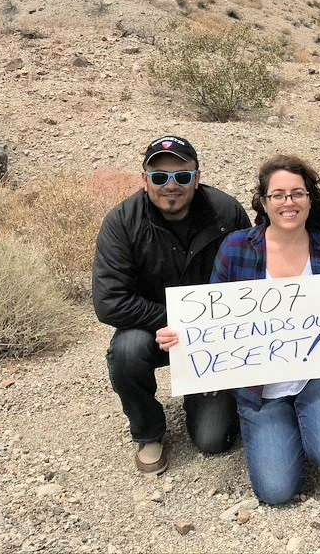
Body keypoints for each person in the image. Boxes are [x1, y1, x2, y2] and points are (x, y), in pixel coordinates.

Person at [159, 155, 320, 505]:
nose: (288, 202)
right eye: (278, 195)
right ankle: (280, 425)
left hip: (318, 373)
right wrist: (180, 336)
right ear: (263, 202)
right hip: (259, 386)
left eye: (297, 194)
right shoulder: (237, 248)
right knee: (275, 492)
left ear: (309, 199)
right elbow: (213, 317)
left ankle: (311, 420)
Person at [93, 135, 249, 474]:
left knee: (213, 440)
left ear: (197, 178)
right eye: (160, 177)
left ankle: (219, 397)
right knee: (127, 351)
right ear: (145, 180)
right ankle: (148, 432)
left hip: (213, 340)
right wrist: (171, 320)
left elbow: (252, 278)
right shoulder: (122, 223)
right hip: (156, 330)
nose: (171, 185)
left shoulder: (226, 212)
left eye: (182, 176)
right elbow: (108, 301)